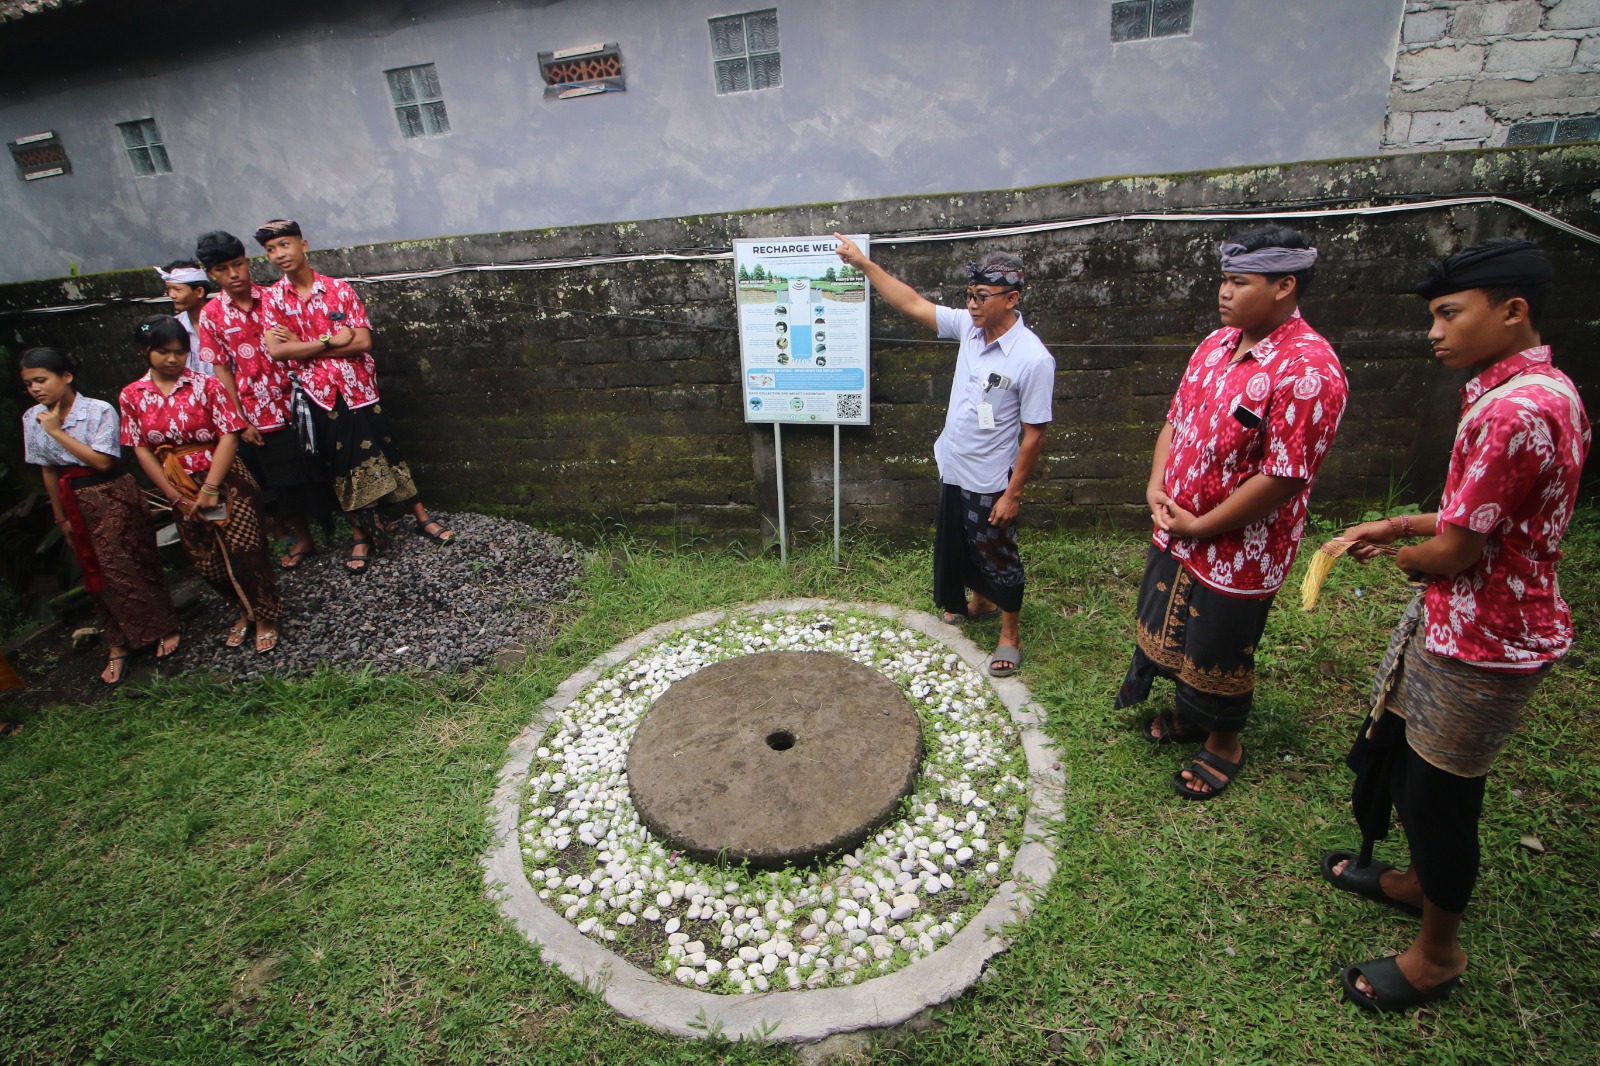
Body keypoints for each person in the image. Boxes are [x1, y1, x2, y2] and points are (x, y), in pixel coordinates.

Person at [1321, 239, 1588, 1013]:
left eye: (1448, 314)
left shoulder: (1513, 410)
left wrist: (1405, 554)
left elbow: (1459, 548)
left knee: (1442, 800)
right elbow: (1485, 514)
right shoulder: (1539, 389)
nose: (1433, 333)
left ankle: (1438, 954)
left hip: (1486, 642)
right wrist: (1407, 521)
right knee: (1409, 766)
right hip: (1462, 622)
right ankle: (1410, 884)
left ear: (1513, 311)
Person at [1114, 225, 1347, 799]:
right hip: (1179, 526)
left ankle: (1223, 743)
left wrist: (1204, 524)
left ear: (1285, 286)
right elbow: (1176, 418)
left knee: (1220, 641)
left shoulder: (1309, 371)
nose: (1223, 292)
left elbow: (1284, 477)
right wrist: (1155, 486)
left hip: (1241, 545)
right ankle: (1189, 714)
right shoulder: (1215, 345)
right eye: (1223, 279)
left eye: (1239, 282)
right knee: (1173, 621)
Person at [833, 235, 1054, 676]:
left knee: (997, 551)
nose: (972, 305)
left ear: (1012, 299)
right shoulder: (970, 331)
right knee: (961, 543)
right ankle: (982, 601)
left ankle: (1009, 634)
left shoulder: (1032, 359)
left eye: (982, 297)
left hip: (991, 478)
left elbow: (1034, 435)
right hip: (954, 464)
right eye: (969, 295)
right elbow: (912, 304)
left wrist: (1013, 494)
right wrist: (863, 264)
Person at [254, 219, 454, 573]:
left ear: (303, 245)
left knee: (388, 453)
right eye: (271, 250)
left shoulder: (338, 290)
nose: (278, 254)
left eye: (284, 245)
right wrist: (330, 341)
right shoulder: (272, 300)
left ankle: (421, 516)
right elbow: (277, 351)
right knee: (339, 466)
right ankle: (361, 534)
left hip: (359, 391)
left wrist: (304, 348)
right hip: (319, 398)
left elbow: (362, 342)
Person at [20, 346, 181, 684]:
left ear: (65, 376)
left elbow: (104, 461)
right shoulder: (31, 418)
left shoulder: (98, 410)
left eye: (41, 380)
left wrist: (56, 431)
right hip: (72, 502)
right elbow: (47, 469)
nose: (35, 389)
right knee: (95, 573)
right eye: (29, 384)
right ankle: (118, 642)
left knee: (130, 562)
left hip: (110, 495)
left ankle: (163, 626)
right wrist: (61, 517)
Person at [121, 316, 281, 654]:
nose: (172, 359)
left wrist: (210, 488)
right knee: (207, 561)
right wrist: (174, 496)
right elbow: (141, 448)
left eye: (179, 352)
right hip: (178, 483)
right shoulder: (132, 396)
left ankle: (265, 616)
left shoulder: (206, 386)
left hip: (224, 478)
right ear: (144, 352)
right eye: (163, 351)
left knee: (245, 551)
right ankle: (244, 609)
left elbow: (228, 435)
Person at [194, 230, 335, 569]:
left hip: (302, 397)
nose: (234, 274)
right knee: (282, 479)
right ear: (212, 274)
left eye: (239, 264)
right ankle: (303, 538)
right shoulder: (211, 315)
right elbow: (221, 369)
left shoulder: (275, 297)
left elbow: (305, 340)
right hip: (258, 410)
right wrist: (239, 418)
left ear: (247, 262)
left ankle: (350, 525)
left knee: (325, 462)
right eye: (224, 269)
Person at [155, 261, 217, 379]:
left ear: (199, 292)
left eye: (177, 289)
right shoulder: (174, 327)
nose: (172, 295)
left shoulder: (224, 321)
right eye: (169, 289)